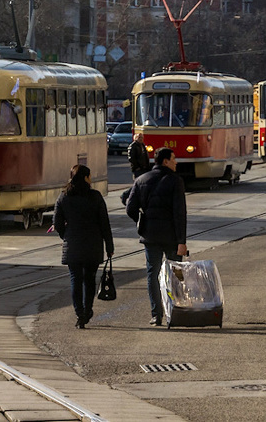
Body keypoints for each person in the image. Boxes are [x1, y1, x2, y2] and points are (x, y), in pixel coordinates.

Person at [125, 147, 188, 326]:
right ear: (165, 161)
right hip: (171, 237)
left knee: (152, 274)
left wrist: (141, 221)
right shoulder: (175, 181)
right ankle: (175, 311)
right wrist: (181, 241)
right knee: (176, 273)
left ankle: (156, 314)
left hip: (150, 236)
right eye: (174, 159)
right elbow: (180, 213)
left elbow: (130, 208)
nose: (176, 162)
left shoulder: (141, 180)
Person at [53, 164, 114, 330]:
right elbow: (104, 223)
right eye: (90, 176)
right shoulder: (95, 196)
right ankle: (87, 310)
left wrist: (66, 235)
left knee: (75, 280)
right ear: (86, 178)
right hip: (93, 244)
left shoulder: (64, 196)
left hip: (73, 244)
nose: (91, 179)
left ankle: (79, 313)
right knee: (89, 280)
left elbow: (57, 223)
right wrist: (109, 245)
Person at [121, 132, 152, 205]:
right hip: (138, 169)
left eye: (142, 137)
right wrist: (137, 167)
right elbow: (131, 158)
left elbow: (145, 157)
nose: (141, 139)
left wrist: (148, 167)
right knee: (138, 185)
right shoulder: (133, 146)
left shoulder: (143, 145)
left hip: (144, 169)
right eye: (139, 137)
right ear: (135, 138)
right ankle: (125, 195)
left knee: (141, 185)